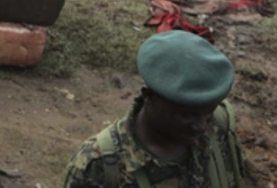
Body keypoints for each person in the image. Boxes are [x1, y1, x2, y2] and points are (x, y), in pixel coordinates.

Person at [62, 31, 244, 187]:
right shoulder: (99, 165)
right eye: (187, 115)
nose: (201, 126)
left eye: (208, 112)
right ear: (149, 96)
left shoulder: (220, 122)